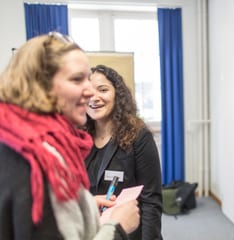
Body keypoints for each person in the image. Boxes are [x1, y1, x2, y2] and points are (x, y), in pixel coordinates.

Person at [0, 31, 140, 240]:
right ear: (40, 85)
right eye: (77, 79)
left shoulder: (18, 140)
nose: (91, 92)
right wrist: (117, 228)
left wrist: (84, 205)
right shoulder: (38, 161)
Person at [84, 64, 163, 240]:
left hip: (129, 233)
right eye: (88, 92)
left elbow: (151, 201)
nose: (94, 98)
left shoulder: (138, 135)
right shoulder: (79, 137)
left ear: (117, 96)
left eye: (103, 90)